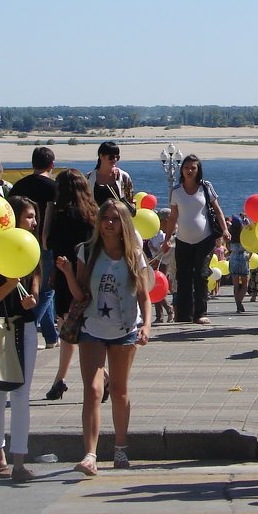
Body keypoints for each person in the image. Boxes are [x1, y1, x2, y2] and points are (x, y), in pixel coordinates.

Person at [56, 199, 151, 475]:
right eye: (105, 218)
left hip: (124, 331)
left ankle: (121, 447)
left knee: (119, 390)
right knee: (93, 390)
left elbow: (145, 295)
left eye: (115, 219)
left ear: (124, 223)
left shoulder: (134, 255)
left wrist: (147, 325)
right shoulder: (88, 252)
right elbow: (82, 295)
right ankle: (90, 454)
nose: (109, 223)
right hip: (92, 329)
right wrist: (67, 274)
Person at [0, 196, 41, 482]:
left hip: (26, 325)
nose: (34, 222)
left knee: (21, 393)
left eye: (34, 216)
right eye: (29, 216)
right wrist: (9, 285)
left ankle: (19, 459)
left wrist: (34, 298)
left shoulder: (31, 247)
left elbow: (37, 276)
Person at [43, 169, 98, 400]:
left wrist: (48, 209)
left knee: (67, 329)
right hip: (89, 275)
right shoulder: (93, 214)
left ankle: (61, 378)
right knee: (89, 329)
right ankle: (100, 375)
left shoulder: (61, 214)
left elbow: (46, 242)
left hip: (67, 276)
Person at [161, 154, 230, 325]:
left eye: (193, 168)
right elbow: (173, 217)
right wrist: (166, 239)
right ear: (181, 170)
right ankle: (183, 315)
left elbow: (218, 210)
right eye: (186, 167)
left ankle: (200, 313)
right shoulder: (176, 191)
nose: (189, 171)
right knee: (183, 277)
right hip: (183, 240)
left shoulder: (206, 187)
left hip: (204, 239)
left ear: (198, 170)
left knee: (201, 275)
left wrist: (225, 230)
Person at [9, 146, 58, 349]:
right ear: (52, 165)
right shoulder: (54, 187)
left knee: (39, 284)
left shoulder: (18, 186)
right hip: (45, 243)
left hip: (19, 243)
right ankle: (30, 325)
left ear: (32, 164)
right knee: (46, 289)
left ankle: (51, 336)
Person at [85, 141, 134, 208]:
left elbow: (130, 200)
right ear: (101, 156)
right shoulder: (88, 178)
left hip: (118, 217)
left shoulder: (124, 177)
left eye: (117, 157)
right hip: (95, 217)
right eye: (111, 157)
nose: (115, 160)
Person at [227, 217, 250, 313]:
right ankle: (239, 302)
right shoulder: (244, 236)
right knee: (245, 283)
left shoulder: (230, 235)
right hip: (243, 258)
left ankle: (238, 304)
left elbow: (228, 248)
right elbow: (250, 246)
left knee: (236, 284)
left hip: (233, 258)